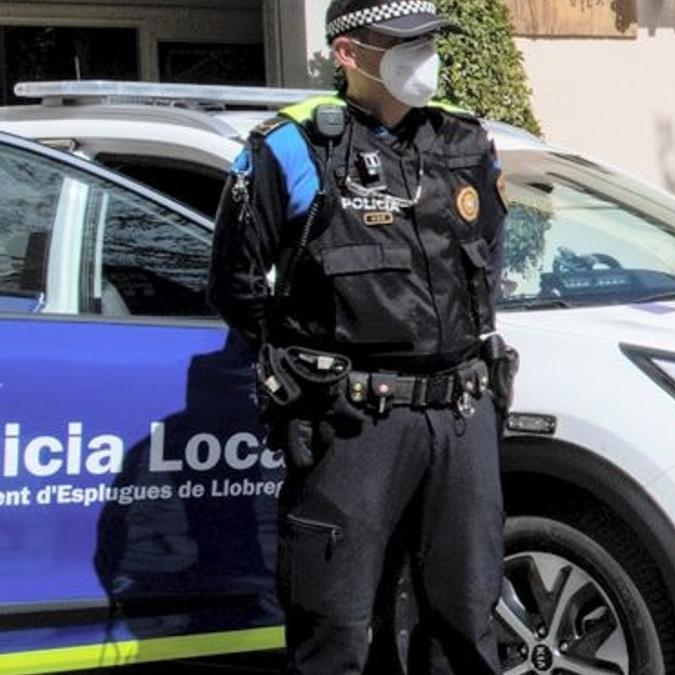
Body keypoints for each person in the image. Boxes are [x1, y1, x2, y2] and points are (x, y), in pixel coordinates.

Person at [207, 1, 515, 672]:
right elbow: (235, 283)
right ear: (348, 54)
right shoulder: (292, 148)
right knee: (338, 630)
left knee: (466, 619)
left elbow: (488, 261)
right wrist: (296, 359)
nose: (423, 55)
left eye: (430, 39)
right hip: (352, 424)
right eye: (402, 42)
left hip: (459, 417)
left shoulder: (466, 143)